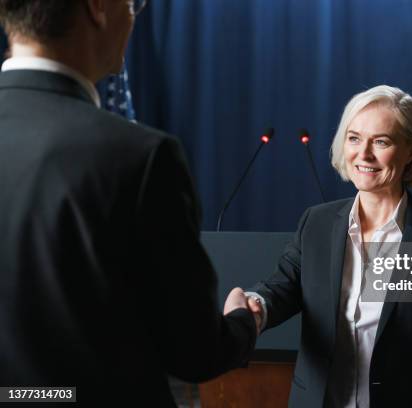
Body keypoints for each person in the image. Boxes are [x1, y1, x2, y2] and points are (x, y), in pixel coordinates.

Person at [0, 1, 259, 406]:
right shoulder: (141, 157)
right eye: (134, 4)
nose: (135, 16)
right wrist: (244, 321)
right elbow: (194, 353)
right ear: (99, 7)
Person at [248, 85, 412, 407]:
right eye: (354, 138)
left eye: (381, 141)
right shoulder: (315, 223)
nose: (363, 155)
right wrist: (255, 305)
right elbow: (283, 287)